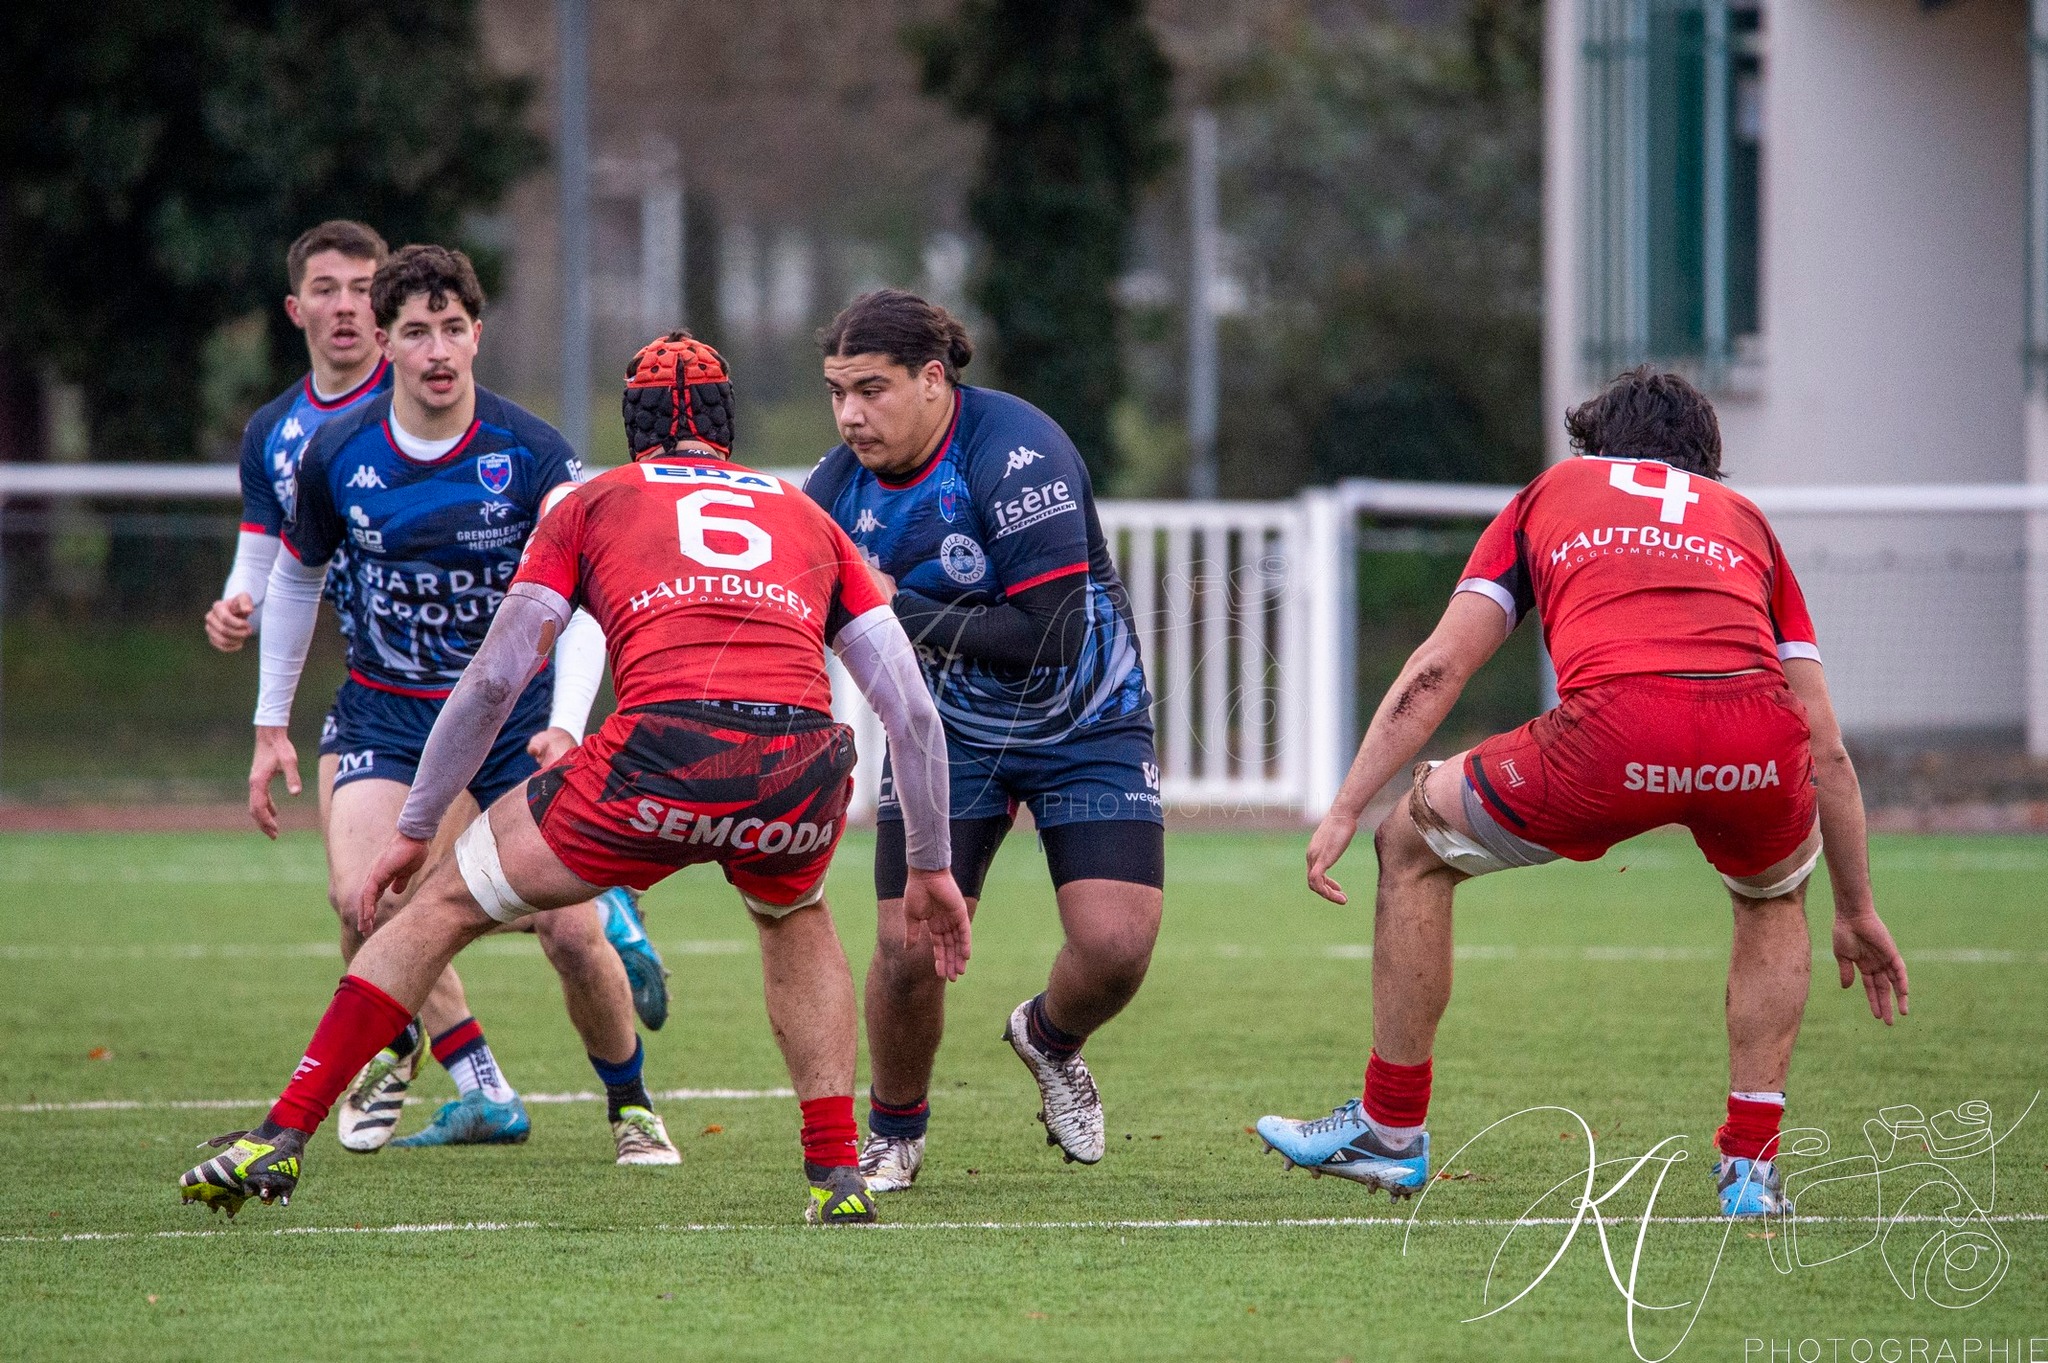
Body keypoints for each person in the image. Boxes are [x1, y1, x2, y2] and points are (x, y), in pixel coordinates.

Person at [179, 330, 969, 1226]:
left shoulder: (593, 501)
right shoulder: (806, 515)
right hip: (795, 766)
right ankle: (836, 1173)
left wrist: (416, 826)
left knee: (439, 905)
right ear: (728, 426)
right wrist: (930, 868)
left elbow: (494, 679)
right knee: (795, 915)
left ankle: (282, 1131)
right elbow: (911, 714)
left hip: (657, 755)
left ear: (634, 427)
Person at [1256, 366, 1910, 1217]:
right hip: (1755, 741)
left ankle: (1390, 1129)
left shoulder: (1554, 491)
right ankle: (1750, 1172)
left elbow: (1440, 668)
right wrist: (1856, 907)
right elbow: (1825, 745)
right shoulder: (1746, 521)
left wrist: (1348, 804)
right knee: (1773, 896)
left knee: (1410, 845)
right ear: (1705, 463)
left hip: (1613, 733)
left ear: (1597, 448)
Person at [229, 243, 680, 1165]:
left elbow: (587, 599)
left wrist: (565, 721)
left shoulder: (531, 454)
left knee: (568, 930)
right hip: (387, 711)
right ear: (385, 343)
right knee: (363, 901)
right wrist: (270, 724)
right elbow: (295, 579)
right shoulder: (336, 453)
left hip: (513, 719)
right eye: (415, 331)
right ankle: (411, 1047)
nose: (436, 350)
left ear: (478, 334)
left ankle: (631, 1104)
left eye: (451, 328)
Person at [804, 290, 1164, 1192]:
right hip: (945, 736)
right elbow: (801, 621)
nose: (850, 415)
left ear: (933, 379)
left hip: (1086, 716)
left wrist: (897, 606)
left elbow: (1054, 633)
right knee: (906, 948)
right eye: (837, 392)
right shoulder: (834, 491)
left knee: (1117, 946)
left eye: (872, 390)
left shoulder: (1015, 453)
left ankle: (1048, 1037)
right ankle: (895, 1132)